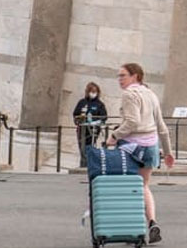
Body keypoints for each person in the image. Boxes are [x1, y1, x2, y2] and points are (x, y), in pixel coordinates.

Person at [106, 63, 174, 244]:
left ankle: (132, 227)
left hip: (131, 146)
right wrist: (168, 151)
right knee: (143, 185)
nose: (120, 79)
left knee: (127, 186)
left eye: (123, 76)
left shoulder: (129, 94)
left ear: (135, 76)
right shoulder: (151, 94)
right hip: (151, 145)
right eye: (119, 76)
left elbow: (132, 122)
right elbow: (161, 126)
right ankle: (152, 222)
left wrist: (114, 135)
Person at [72, 81, 108, 167]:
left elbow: (104, 116)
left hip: (93, 130)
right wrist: (78, 120)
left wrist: (96, 122)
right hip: (82, 129)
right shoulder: (82, 102)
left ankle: (89, 165)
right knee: (82, 147)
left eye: (95, 91)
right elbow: (75, 114)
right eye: (91, 91)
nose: (93, 93)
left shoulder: (100, 104)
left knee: (89, 147)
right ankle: (83, 165)